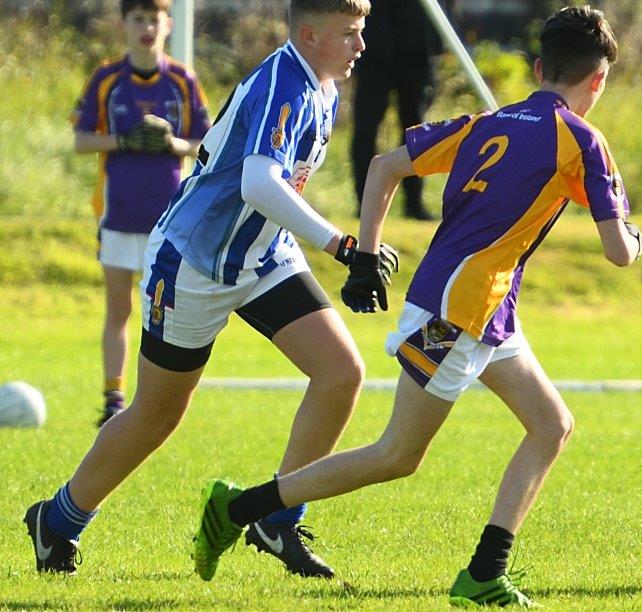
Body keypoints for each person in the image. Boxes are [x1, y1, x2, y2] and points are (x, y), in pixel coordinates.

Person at [192, 6, 641, 607]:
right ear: (599, 80)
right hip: (459, 311)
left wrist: (369, 252)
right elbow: (618, 253)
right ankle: (241, 506)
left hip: (486, 308)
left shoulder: (488, 121)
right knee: (397, 454)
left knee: (551, 425)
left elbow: (384, 167)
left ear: (538, 67)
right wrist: (634, 236)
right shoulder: (584, 141)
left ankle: (485, 572)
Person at [24, 0, 396, 580]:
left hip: (261, 257)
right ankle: (57, 521)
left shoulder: (322, 85)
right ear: (310, 33)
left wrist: (347, 250)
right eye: (350, 33)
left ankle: (277, 518)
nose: (360, 45)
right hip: (193, 263)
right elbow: (257, 183)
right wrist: (343, 247)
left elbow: (275, 190)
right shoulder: (287, 83)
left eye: (362, 32)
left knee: (341, 372)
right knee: (155, 415)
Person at [71, 0, 211, 428]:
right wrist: (125, 140)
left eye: (155, 18)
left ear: (168, 24)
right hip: (118, 214)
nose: (147, 26)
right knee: (120, 310)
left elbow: (205, 145)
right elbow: (81, 141)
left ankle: (156, 403)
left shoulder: (183, 80)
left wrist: (173, 145)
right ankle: (114, 400)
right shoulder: (107, 78)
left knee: (167, 313)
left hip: (171, 221)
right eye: (139, 19)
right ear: (124, 24)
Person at [350, 0, 442, 220]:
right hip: (374, 44)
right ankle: (365, 205)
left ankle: (414, 204)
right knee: (366, 127)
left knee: (416, 128)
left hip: (417, 45)